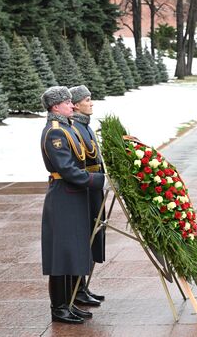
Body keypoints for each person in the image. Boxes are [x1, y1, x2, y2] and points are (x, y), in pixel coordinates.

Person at [40, 86, 107, 324]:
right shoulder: (55, 132)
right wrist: (99, 180)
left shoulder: (68, 128)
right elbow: (67, 169)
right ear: (55, 106)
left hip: (73, 195)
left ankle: (68, 303)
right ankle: (59, 308)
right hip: (63, 196)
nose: (72, 105)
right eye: (67, 103)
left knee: (71, 252)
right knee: (61, 254)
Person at [70, 85, 106, 307]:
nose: (91, 103)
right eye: (87, 99)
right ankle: (78, 288)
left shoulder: (85, 126)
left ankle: (83, 287)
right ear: (75, 104)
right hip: (86, 188)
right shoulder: (75, 127)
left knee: (93, 235)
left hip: (94, 187)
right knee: (84, 237)